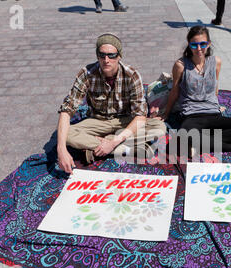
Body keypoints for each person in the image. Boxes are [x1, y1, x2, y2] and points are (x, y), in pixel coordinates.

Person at [57, 33, 166, 174]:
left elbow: (140, 116)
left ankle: (98, 148)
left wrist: (113, 141)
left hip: (124, 121)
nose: (106, 60)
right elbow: (67, 110)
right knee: (65, 133)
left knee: (159, 127)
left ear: (119, 56)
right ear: (97, 56)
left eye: (111, 55)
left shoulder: (132, 75)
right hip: (98, 120)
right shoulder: (86, 74)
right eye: (102, 55)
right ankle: (123, 148)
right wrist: (61, 149)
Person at [151, 25, 231, 157]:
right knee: (185, 134)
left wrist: (217, 104)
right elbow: (175, 91)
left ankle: (198, 144)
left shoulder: (216, 62)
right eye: (194, 45)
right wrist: (166, 113)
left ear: (209, 44)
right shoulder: (181, 65)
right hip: (191, 115)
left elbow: (215, 87)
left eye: (202, 44)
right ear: (189, 45)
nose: (199, 49)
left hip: (213, 113)